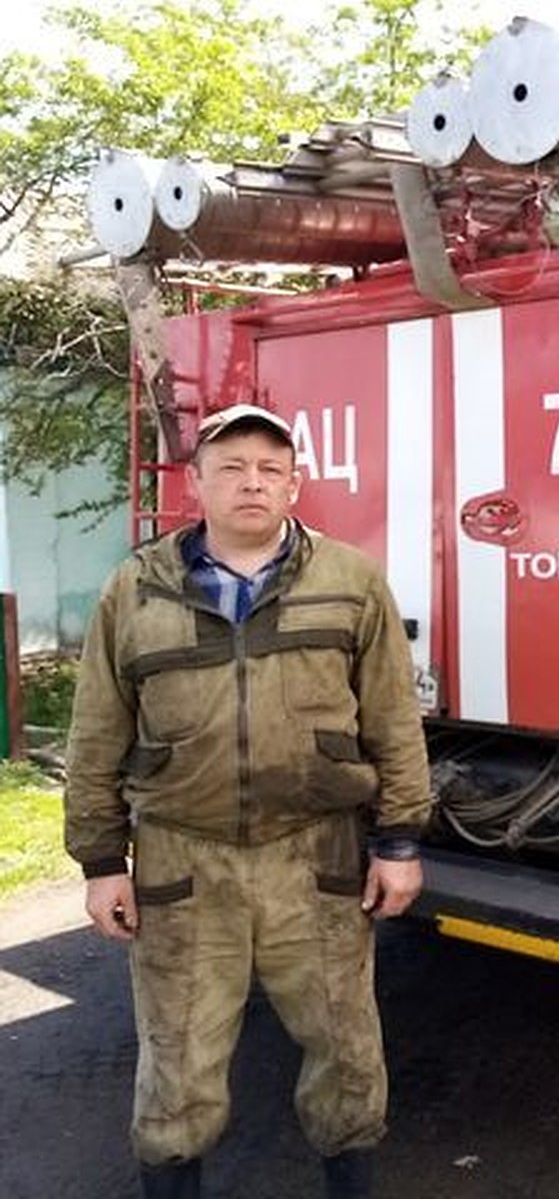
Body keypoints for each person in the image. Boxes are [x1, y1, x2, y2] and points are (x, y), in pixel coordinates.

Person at [64, 403, 432, 1199]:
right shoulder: (134, 590)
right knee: (178, 1058)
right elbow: (96, 731)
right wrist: (100, 862)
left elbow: (394, 719)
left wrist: (400, 841)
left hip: (317, 854)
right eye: (231, 467)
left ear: (295, 485)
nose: (252, 483)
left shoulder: (351, 580)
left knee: (345, 1048)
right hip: (181, 861)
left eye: (270, 469)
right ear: (196, 483)